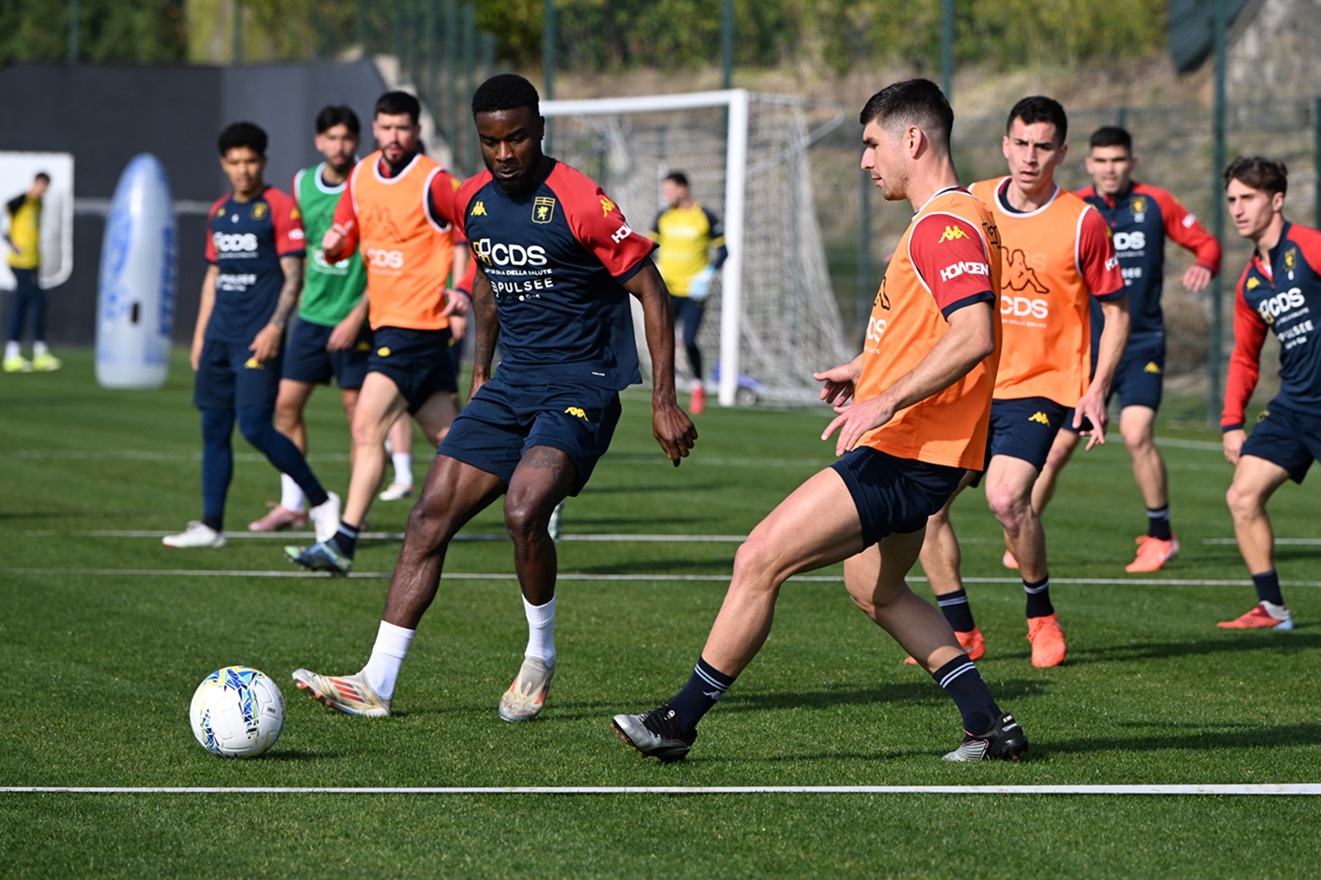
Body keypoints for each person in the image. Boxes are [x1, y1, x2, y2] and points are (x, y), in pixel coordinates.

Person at [613, 78, 1028, 764]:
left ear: (912, 139)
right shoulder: (960, 216)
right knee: (876, 589)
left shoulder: (943, 224)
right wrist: (865, 368)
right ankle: (988, 724)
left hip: (908, 447)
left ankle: (675, 723)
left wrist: (886, 400)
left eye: (871, 144)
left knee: (758, 559)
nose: (865, 160)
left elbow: (974, 333)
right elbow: (933, 330)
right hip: (933, 449)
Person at [289, 73, 696, 723]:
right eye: (490, 142)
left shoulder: (581, 200)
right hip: (511, 383)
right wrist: (480, 373)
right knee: (427, 518)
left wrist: (662, 400)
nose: (504, 154)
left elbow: (651, 290)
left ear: (539, 130)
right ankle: (376, 682)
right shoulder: (471, 198)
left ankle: (538, 657)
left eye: (517, 138)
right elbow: (484, 280)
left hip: (581, 384)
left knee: (522, 509)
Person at [915, 97, 1128, 668]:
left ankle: (1041, 617)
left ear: (1061, 152)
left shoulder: (1084, 221)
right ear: (1005, 144)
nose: (1030, 157)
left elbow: (1118, 311)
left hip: (1040, 387)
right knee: (926, 509)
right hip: (971, 382)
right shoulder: (973, 204)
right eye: (1021, 143)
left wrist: (1096, 388)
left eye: (1043, 147)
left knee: (1008, 500)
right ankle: (960, 630)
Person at [1016, 125, 1221, 573]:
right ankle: (1020, 531)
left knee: (1136, 432)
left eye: (1118, 160)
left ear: (1133, 163)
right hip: (1086, 350)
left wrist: (1206, 263)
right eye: (1102, 161)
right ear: (1088, 163)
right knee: (1055, 449)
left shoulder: (1156, 204)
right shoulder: (1075, 208)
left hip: (1142, 343)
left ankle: (1161, 536)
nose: (1110, 169)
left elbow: (1206, 243)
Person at [284, 91, 469, 574]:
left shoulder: (434, 180)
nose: (393, 137)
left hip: (414, 327)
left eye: (402, 128)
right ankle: (533, 492)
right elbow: (346, 234)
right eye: (385, 128)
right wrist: (336, 243)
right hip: (391, 323)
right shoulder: (362, 175)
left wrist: (462, 292)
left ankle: (342, 542)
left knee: (367, 426)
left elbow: (467, 235)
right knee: (454, 438)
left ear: (416, 130)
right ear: (375, 127)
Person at [164, 122, 341, 549]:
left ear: (262, 161)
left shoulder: (279, 207)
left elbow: (293, 276)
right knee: (213, 429)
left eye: (250, 161)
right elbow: (213, 276)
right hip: (219, 338)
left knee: (256, 427)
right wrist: (201, 334)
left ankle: (320, 501)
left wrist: (275, 326)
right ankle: (211, 526)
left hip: (257, 338)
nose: (242, 169)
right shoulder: (220, 212)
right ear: (224, 164)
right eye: (234, 162)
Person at [249, 106, 371, 533]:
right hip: (312, 316)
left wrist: (358, 316)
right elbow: (298, 254)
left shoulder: (368, 182)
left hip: (356, 318)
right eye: (332, 138)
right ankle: (294, 503)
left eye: (347, 138)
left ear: (357, 141)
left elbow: (384, 259)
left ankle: (355, 513)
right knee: (285, 408)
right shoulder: (301, 184)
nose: (340, 146)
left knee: (360, 420)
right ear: (319, 141)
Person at [1218, 156, 1321, 631]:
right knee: (1242, 496)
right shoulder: (1249, 283)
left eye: (1248, 198)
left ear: (1276, 200)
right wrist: (1232, 421)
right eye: (1233, 199)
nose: (1237, 209)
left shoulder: (1310, 247)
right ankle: (1273, 610)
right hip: (1295, 406)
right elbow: (1244, 358)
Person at [650, 170, 728, 414]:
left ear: (683, 188)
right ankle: (663, 389)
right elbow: (649, 247)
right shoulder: (663, 216)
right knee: (663, 339)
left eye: (669, 190)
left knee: (690, 339)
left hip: (694, 293)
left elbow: (724, 250)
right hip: (667, 291)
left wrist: (707, 274)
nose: (666, 195)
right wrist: (657, 268)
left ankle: (697, 386)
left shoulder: (704, 215)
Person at [3, 172, 60, 373]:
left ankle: (12, 353)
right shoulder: (22, 201)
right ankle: (40, 351)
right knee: (39, 300)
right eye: (40, 185)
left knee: (21, 304)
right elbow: (4, 214)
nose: (42, 189)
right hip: (19, 262)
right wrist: (10, 242)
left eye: (45, 186)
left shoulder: (39, 205)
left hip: (32, 262)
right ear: (34, 183)